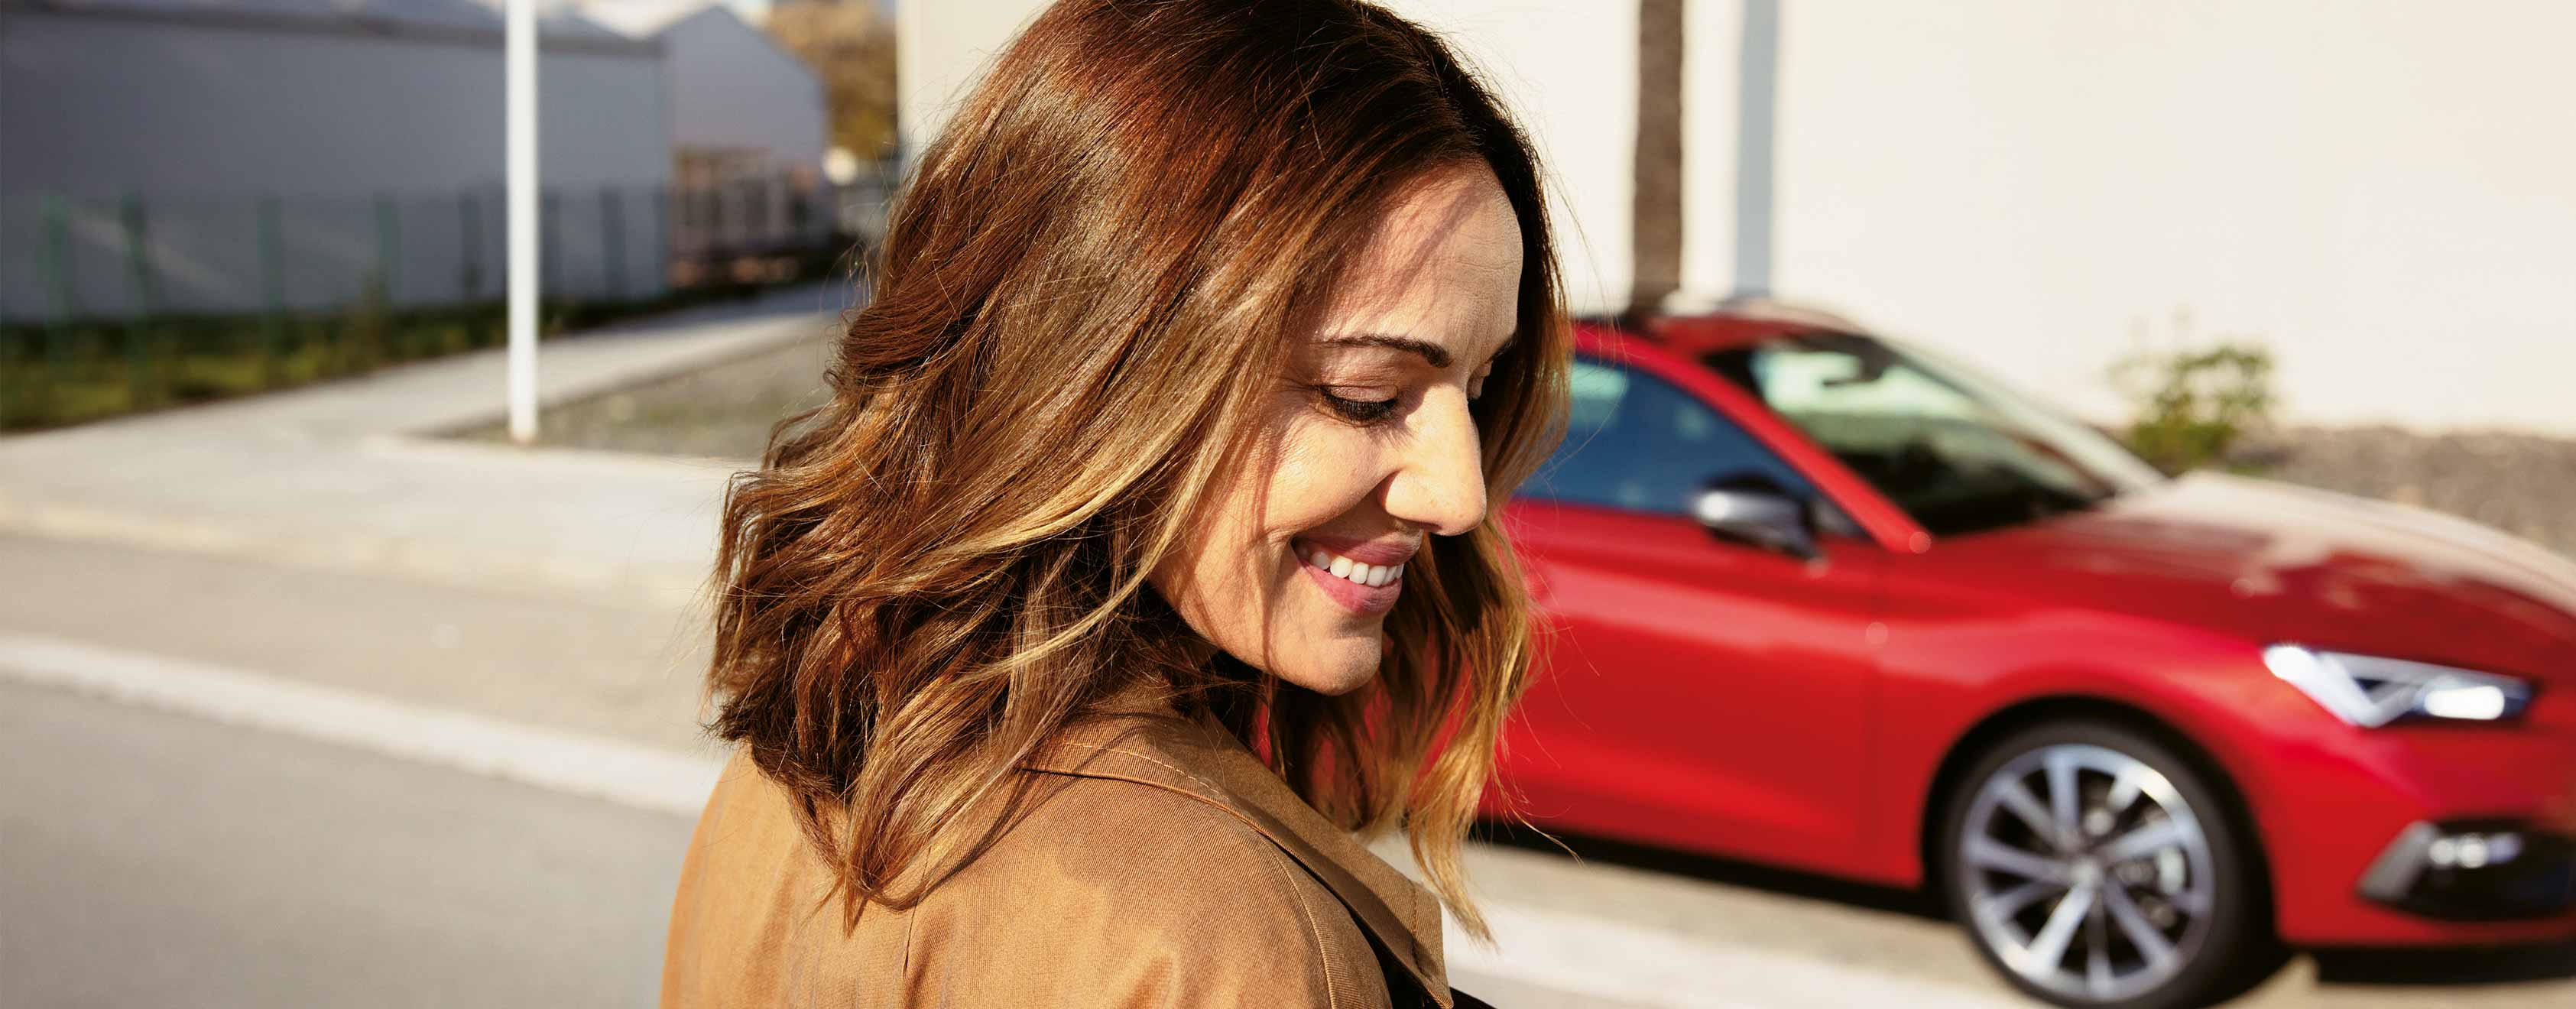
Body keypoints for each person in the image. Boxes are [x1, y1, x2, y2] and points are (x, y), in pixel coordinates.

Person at [660, 0, 1567, 1004]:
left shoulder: (807, 762)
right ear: (1091, 376)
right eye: (1368, 396)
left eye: (1478, 388)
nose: (1459, 494)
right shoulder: (1226, 940)